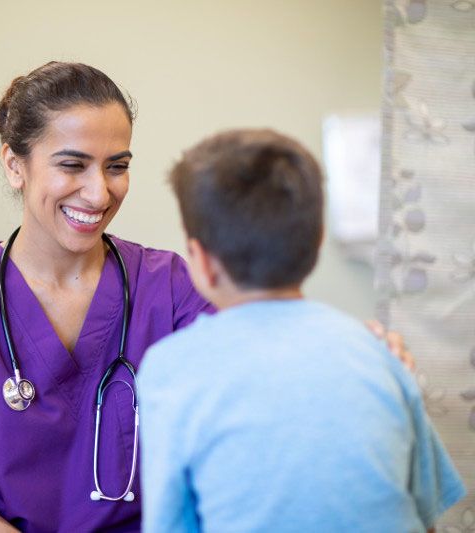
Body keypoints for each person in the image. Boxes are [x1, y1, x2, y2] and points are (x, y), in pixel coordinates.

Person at [0, 62, 414, 532]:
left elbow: (262, 364)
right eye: (72, 165)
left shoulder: (172, 287)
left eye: (117, 166)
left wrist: (363, 355)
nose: (99, 192)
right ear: (15, 164)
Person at [138, 129, 465, 532]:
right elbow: (426, 517)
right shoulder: (379, 352)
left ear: (201, 261)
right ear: (318, 242)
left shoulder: (171, 369)